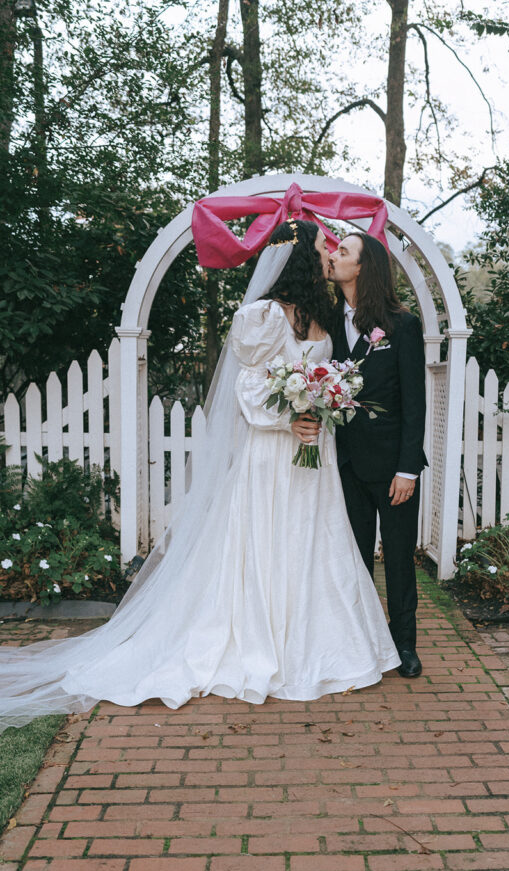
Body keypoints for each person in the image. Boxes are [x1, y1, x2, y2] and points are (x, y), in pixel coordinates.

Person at [0, 220, 400, 731]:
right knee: (265, 543)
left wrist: (320, 407)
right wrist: (293, 415)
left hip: (312, 458)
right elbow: (250, 390)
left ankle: (321, 644)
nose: (329, 254)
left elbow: (323, 378)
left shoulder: (323, 314)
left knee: (313, 541)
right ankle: (260, 644)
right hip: (271, 454)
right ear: (301, 254)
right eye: (324, 246)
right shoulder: (262, 316)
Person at [328, 232, 427, 679]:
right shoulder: (326, 322)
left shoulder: (401, 324)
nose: (334, 255)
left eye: (343, 251)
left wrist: (408, 468)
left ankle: (404, 644)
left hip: (392, 468)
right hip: (344, 466)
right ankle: (364, 643)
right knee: (354, 557)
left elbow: (414, 401)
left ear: (365, 267)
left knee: (401, 559)